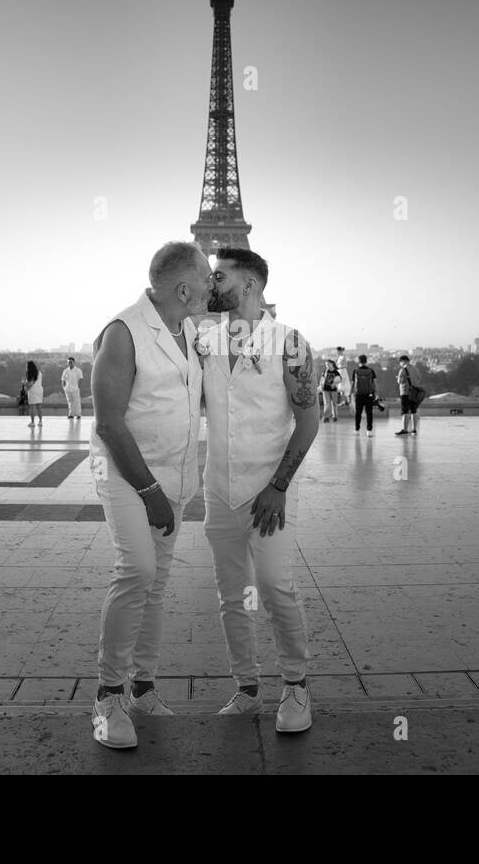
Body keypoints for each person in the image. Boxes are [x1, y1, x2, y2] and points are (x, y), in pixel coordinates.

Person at [87, 241, 211, 750]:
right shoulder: (123, 333)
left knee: (156, 583)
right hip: (125, 470)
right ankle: (107, 696)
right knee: (136, 570)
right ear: (184, 288)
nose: (211, 285)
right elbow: (110, 425)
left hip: (175, 472)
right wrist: (151, 492)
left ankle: (142, 686)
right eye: (206, 278)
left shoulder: (189, 330)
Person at [201, 247, 319, 734]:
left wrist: (278, 487)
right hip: (218, 489)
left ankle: (295, 685)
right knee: (232, 594)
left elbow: (309, 420)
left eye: (219, 276)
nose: (211, 284)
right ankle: (246, 687)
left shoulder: (289, 343)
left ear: (248, 284)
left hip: (269, 490)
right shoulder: (203, 340)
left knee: (275, 587)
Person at [351, 354, 378, 436]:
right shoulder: (371, 371)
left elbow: (353, 384)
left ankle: (357, 430)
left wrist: (350, 394)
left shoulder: (355, 371)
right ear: (366, 361)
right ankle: (369, 431)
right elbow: (375, 383)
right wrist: (376, 393)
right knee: (369, 413)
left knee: (358, 413)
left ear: (359, 361)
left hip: (358, 394)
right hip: (369, 394)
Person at [395, 355, 421, 435]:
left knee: (405, 412)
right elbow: (419, 378)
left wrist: (398, 378)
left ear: (403, 361)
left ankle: (405, 429)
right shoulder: (416, 369)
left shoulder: (403, 370)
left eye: (400, 362)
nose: (400, 364)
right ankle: (414, 429)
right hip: (414, 392)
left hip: (405, 393)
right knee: (414, 411)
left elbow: (400, 381)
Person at [21, 360, 44, 426]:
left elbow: (30, 384)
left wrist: (24, 383)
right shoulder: (39, 373)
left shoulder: (30, 373)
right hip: (40, 390)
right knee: (39, 407)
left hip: (33, 390)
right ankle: (40, 421)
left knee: (32, 407)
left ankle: (32, 422)